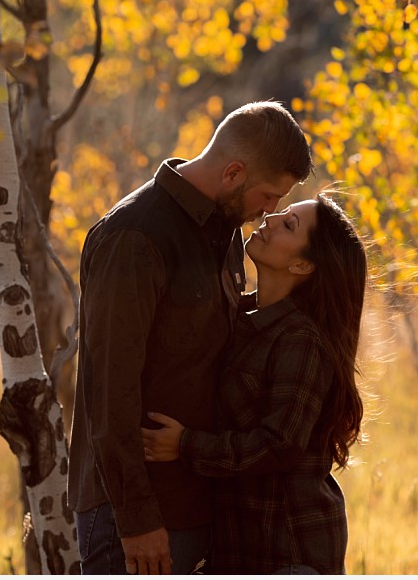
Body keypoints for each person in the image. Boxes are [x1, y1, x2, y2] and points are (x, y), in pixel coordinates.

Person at [68, 101, 313, 575]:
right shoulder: (136, 237)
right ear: (234, 172)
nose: (270, 211)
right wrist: (137, 520)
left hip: (192, 505)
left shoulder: (222, 232)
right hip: (135, 519)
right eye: (268, 196)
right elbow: (108, 394)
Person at [142, 194, 367, 575]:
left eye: (289, 225)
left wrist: (186, 445)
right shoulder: (239, 314)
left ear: (302, 264)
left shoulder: (301, 340)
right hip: (240, 552)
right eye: (283, 212)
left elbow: (279, 445)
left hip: (290, 554)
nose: (272, 218)